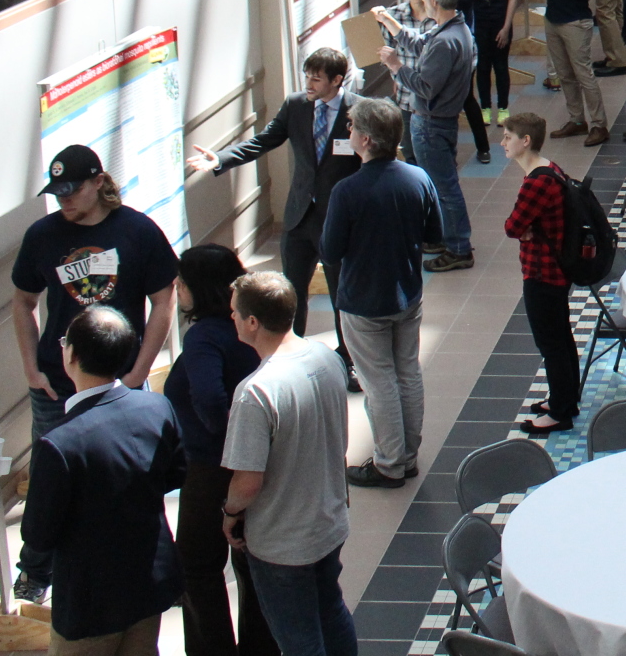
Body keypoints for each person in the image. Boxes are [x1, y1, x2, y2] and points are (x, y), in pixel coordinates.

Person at [19, 307, 185, 655]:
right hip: (146, 585)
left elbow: (37, 533)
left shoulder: (58, 444)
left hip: (88, 604)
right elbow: (175, 473)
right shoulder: (155, 408)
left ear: (72, 356)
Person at [189, 49, 359, 382]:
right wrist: (221, 159)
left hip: (337, 218)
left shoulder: (358, 109)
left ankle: (349, 357)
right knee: (291, 292)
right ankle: (286, 358)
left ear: (337, 81)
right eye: (306, 75)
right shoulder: (296, 106)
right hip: (299, 218)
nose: (308, 83)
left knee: (342, 293)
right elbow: (264, 140)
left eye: (316, 78)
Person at [221, 272, 356, 656]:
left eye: (235, 313)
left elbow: (248, 482)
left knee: (299, 641)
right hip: (329, 521)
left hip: (283, 542)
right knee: (331, 610)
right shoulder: (326, 357)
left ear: (252, 322)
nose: (231, 318)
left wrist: (229, 512)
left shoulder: (255, 392)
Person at [13, 145, 178, 448]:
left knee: (128, 469)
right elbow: (23, 301)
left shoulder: (138, 230)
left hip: (121, 379)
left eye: (73, 191)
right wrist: (32, 370)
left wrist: (138, 372)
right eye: (58, 193)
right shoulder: (41, 235)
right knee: (57, 477)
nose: (65, 200)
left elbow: (164, 300)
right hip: (57, 387)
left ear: (99, 182)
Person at [320, 99, 438, 487]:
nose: (348, 132)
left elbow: (330, 251)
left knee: (379, 382)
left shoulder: (347, 191)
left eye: (351, 126)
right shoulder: (418, 178)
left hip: (363, 301)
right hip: (407, 293)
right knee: (408, 372)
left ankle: (389, 464)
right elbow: (435, 235)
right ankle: (408, 456)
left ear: (366, 139)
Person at [166, 245, 272, 656]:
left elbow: (209, 398)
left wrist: (226, 440)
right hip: (257, 461)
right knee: (251, 563)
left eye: (181, 282)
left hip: (212, 468)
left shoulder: (203, 337)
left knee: (197, 565)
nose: (177, 289)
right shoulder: (249, 325)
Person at [374, 0, 476, 271]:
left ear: (433, 1)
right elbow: (420, 45)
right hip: (437, 121)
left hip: (431, 122)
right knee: (441, 185)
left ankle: (459, 248)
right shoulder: (453, 28)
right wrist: (390, 23)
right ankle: (449, 237)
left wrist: (395, 66)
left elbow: (425, 86)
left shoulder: (446, 41)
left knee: (445, 188)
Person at [499, 113, 582, 436]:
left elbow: (511, 227)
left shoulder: (536, 182)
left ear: (526, 141)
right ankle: (565, 398)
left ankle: (560, 412)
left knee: (551, 344)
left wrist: (525, 229)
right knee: (561, 338)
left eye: (508, 136)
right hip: (557, 270)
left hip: (543, 273)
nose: (504, 142)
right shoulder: (552, 169)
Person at [532, 0, 607, 147]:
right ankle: (576, 119)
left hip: (575, 20)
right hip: (553, 17)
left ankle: (599, 124)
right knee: (564, 74)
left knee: (583, 73)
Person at [428, 0, 493, 163]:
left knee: (445, 103)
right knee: (468, 99)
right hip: (467, 44)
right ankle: (483, 148)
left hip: (441, 46)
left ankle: (449, 153)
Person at [459, 0, 520, 124]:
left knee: (501, 67)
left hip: (500, 24)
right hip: (479, 26)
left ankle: (503, 108)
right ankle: (485, 107)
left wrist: (506, 27)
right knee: (483, 67)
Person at [378, 0, 436, 160]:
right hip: (406, 96)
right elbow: (387, 52)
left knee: (434, 154)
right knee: (409, 152)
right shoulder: (393, 16)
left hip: (434, 98)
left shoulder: (439, 15)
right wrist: (396, 75)